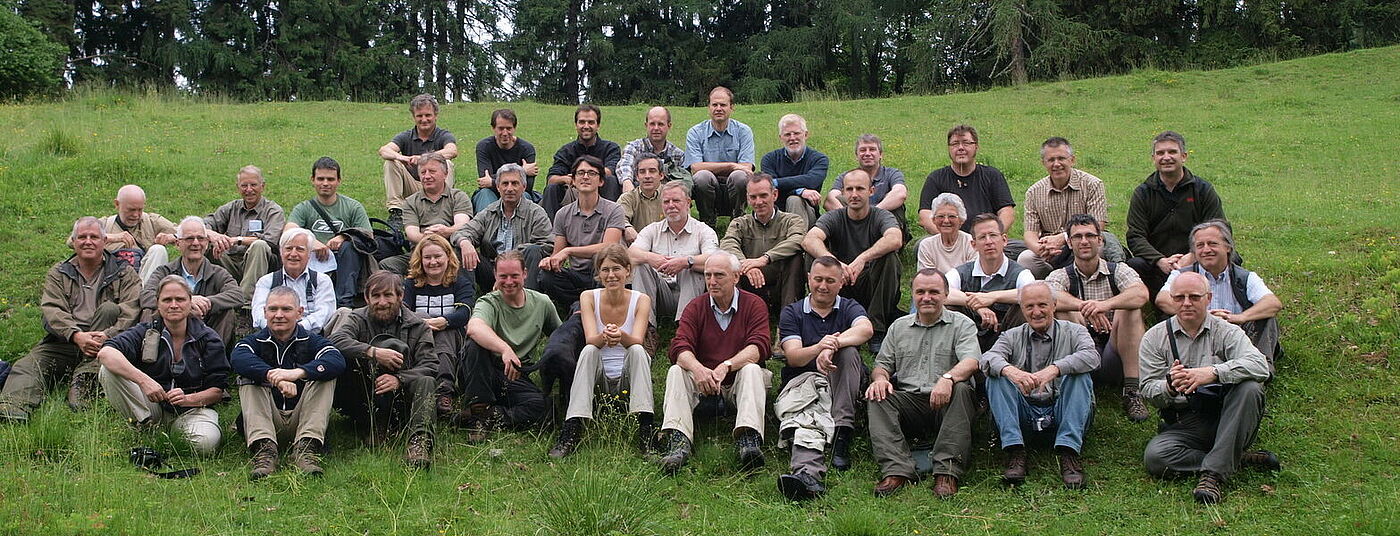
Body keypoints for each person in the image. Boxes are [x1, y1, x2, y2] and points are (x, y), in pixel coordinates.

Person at [1140, 272, 1279, 504]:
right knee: (1156, 458)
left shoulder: (1227, 330)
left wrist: (1212, 373)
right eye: (1180, 297)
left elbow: (1260, 365)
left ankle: (1212, 476)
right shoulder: (1154, 337)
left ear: (1209, 298)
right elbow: (1147, 389)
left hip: (1230, 416)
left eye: (1194, 297)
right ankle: (1234, 457)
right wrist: (1170, 387)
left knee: (1250, 388)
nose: (1186, 303)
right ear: (1172, 300)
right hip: (1186, 421)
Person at [0, 217, 140, 421]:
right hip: (65, 340)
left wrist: (107, 335)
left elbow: (131, 309)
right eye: (82, 237)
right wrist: (76, 335)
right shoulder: (59, 272)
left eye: (94, 237)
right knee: (28, 366)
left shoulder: (124, 272)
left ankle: (84, 383)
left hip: (106, 344)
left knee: (110, 309)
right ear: (74, 242)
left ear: (104, 241)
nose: (88, 241)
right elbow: (52, 309)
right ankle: (13, 408)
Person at [866, 269, 980, 499]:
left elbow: (971, 361)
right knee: (877, 396)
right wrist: (880, 379)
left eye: (934, 292)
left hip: (948, 403)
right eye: (920, 292)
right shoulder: (899, 327)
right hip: (911, 403)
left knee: (961, 388)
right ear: (913, 295)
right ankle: (896, 470)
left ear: (946, 295)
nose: (926, 297)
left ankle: (947, 472)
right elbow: (882, 365)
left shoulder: (962, 324)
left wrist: (948, 379)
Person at [657, 253, 772, 475]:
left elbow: (759, 347)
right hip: (705, 383)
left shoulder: (754, 304)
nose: (712, 281)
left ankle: (748, 439)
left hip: (738, 381)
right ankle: (678, 441)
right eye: (708, 275)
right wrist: (699, 370)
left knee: (751, 369)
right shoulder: (696, 306)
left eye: (719, 275)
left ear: (736, 277)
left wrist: (727, 365)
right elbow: (679, 346)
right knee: (676, 371)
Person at [980, 282, 1099, 489]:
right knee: (996, 376)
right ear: (1022, 309)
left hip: (1063, 410)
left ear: (1054, 305)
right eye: (1029, 306)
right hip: (1024, 413)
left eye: (1042, 305)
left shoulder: (1076, 331)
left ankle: (1069, 452)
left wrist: (1056, 369)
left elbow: (1092, 357)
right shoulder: (1011, 335)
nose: (1036, 312)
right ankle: (1015, 450)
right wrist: (1012, 371)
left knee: (1080, 376)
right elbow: (987, 359)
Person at [774, 256, 874, 500]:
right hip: (803, 382)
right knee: (809, 419)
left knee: (849, 352)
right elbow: (795, 357)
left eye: (830, 281)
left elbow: (866, 329)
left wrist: (833, 345)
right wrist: (819, 348)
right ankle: (806, 475)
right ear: (808, 279)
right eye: (818, 279)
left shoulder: (849, 306)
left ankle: (843, 433)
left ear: (841, 283)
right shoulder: (793, 312)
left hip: (841, 383)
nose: (823, 286)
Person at [95, 275, 228, 453]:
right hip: (152, 406)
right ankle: (146, 426)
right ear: (158, 303)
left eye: (180, 299)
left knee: (206, 443)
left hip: (193, 410)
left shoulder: (209, 338)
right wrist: (144, 381)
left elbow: (217, 391)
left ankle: (173, 434)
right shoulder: (145, 331)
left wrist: (187, 399)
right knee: (108, 370)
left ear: (190, 302)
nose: (173, 305)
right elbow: (106, 352)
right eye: (167, 300)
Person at [549, 244, 655, 458]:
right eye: (605, 270)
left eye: (616, 269)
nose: (611, 275)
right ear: (599, 273)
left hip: (628, 378)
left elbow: (637, 339)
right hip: (600, 380)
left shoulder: (641, 299)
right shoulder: (589, 297)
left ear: (628, 271)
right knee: (588, 350)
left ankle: (646, 430)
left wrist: (621, 336)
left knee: (636, 350)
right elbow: (591, 339)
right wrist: (605, 336)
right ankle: (572, 428)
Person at [231, 286, 346, 479]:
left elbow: (336, 360)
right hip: (267, 419)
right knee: (248, 376)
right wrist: (273, 377)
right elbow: (238, 358)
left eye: (286, 309)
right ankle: (264, 451)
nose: (279, 315)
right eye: (273, 309)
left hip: (304, 419)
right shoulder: (252, 342)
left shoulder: (312, 341)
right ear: (264, 312)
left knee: (325, 376)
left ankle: (306, 450)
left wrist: (296, 373)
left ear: (299, 313)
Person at [1046, 214, 1151, 422]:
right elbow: (1048, 294)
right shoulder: (1062, 274)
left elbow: (1141, 294)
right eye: (1077, 237)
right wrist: (1085, 307)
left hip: (1117, 351)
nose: (1084, 241)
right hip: (1082, 350)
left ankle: (1132, 390)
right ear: (1069, 242)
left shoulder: (1118, 270)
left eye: (1089, 236)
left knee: (1130, 307)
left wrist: (1105, 305)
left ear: (1100, 240)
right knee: (1060, 308)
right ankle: (1078, 386)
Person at [328, 272, 439, 468]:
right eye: (376, 296)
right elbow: (335, 341)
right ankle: (372, 424)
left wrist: (400, 379)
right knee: (340, 359)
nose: (382, 302)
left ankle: (419, 442)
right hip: (363, 394)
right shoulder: (356, 318)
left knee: (426, 381)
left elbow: (430, 366)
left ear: (400, 296)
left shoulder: (419, 326)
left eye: (388, 295)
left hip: (402, 398)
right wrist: (372, 352)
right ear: (366, 298)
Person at [460, 250, 560, 440]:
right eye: (503, 276)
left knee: (544, 408)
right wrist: (505, 348)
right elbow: (474, 327)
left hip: (514, 374)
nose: (508, 282)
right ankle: (478, 413)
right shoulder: (488, 302)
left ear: (525, 273)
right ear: (495, 276)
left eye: (514, 275)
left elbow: (559, 336)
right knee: (475, 345)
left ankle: (491, 416)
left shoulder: (542, 303)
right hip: (481, 370)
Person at [802, 169, 903, 352]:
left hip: (870, 285)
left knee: (890, 257)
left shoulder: (881, 216)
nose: (854, 194)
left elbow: (895, 238)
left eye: (860, 189)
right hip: (839, 284)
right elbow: (809, 239)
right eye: (849, 189)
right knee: (815, 256)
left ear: (871, 191)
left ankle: (877, 327)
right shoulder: (834, 217)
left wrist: (863, 258)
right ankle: (820, 317)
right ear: (843, 192)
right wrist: (835, 264)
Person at [1157, 220, 1284, 364]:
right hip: (1195, 335)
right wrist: (1203, 316)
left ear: (1228, 247)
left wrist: (1240, 317)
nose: (1206, 250)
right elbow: (1162, 299)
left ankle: (1260, 365)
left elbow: (1273, 303)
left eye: (1212, 244)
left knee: (1267, 318)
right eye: (1200, 245)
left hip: (1235, 337)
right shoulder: (1180, 275)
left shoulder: (1245, 277)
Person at [1125, 131, 1228, 300]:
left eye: (1172, 152)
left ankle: (1214, 296)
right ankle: (1158, 302)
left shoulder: (1202, 190)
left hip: (1197, 259)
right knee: (1134, 265)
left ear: (1184, 156)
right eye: (1160, 153)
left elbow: (1219, 228)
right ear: (1153, 158)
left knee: (1230, 257)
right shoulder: (1143, 193)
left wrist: (1193, 255)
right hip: (1159, 264)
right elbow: (1135, 236)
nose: (1166, 157)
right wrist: (1160, 260)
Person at [1017, 137, 1123, 278]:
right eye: (1051, 160)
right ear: (1043, 163)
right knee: (1026, 259)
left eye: (1061, 158)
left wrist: (1063, 238)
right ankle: (1056, 284)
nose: (1057, 164)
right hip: (1050, 250)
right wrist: (1040, 248)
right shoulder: (1034, 191)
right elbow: (1030, 232)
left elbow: (1099, 224)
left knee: (1098, 250)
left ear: (1072, 160)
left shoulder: (1092, 184)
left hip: (1083, 241)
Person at [537, 155, 626, 313]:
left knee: (607, 267)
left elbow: (608, 248)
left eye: (591, 173)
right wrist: (549, 261)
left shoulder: (614, 210)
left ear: (601, 181)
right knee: (546, 276)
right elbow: (557, 253)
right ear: (573, 181)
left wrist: (569, 251)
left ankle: (585, 306)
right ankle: (581, 305)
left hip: (602, 272)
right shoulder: (563, 214)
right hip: (577, 274)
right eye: (580, 173)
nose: (585, 177)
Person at [917, 125, 1021, 258]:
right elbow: (925, 215)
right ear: (949, 148)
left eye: (966, 143)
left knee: (1023, 250)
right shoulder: (936, 178)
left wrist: (992, 237)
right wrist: (948, 237)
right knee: (921, 246)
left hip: (986, 241)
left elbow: (1007, 212)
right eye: (955, 144)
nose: (960, 148)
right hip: (949, 242)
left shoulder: (992, 175)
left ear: (976, 146)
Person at [140, 217, 245, 346]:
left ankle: (214, 359)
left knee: (227, 312)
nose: (195, 243)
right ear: (178, 243)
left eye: (200, 238)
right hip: (169, 331)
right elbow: (146, 296)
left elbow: (237, 295)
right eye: (189, 238)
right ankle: (149, 358)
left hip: (206, 333)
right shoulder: (164, 272)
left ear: (206, 244)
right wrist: (187, 302)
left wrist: (208, 303)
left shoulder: (218, 273)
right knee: (149, 311)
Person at [401, 234, 475, 416]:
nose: (433, 262)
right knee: (424, 318)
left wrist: (445, 321)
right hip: (417, 338)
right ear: (420, 260)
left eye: (437, 256)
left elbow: (465, 312)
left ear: (448, 257)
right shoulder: (410, 284)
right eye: (427, 257)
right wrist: (424, 322)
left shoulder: (460, 283)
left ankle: (444, 392)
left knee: (445, 332)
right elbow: (402, 311)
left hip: (450, 339)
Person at [286, 157, 374, 307]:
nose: (325, 183)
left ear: (339, 181)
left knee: (349, 247)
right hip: (314, 260)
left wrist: (344, 237)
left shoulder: (353, 207)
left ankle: (344, 304)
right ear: (312, 180)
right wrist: (312, 242)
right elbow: (289, 230)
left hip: (345, 260)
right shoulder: (304, 208)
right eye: (320, 179)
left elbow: (368, 235)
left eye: (330, 179)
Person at [453, 163, 552, 293]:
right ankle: (466, 301)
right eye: (505, 184)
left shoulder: (536, 212)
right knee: (461, 248)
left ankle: (526, 300)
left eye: (515, 183)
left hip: (521, 271)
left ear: (524, 187)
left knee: (534, 250)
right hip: (493, 271)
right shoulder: (489, 212)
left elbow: (547, 245)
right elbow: (463, 232)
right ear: (498, 187)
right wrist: (465, 242)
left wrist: (514, 256)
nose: (509, 188)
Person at [628, 181, 718, 324]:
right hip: (659, 294)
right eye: (666, 202)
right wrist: (650, 257)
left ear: (688, 203)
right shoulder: (652, 229)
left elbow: (715, 261)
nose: (671, 205)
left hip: (693, 295)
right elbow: (630, 254)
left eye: (676, 200)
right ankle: (646, 327)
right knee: (640, 265)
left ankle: (685, 326)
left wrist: (685, 262)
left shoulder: (703, 230)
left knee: (692, 267)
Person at [719, 174, 807, 316]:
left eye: (763, 196)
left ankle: (788, 318)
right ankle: (738, 317)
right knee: (727, 262)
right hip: (748, 285)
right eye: (753, 197)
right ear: (747, 199)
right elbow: (728, 242)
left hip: (782, 285)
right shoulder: (740, 223)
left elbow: (798, 239)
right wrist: (745, 265)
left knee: (795, 258)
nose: (758, 202)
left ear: (775, 195)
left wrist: (765, 259)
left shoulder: (792, 220)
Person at [946, 214, 1034, 351]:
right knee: (948, 308)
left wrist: (993, 296)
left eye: (993, 235)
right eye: (982, 237)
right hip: (968, 338)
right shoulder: (960, 273)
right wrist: (977, 305)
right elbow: (941, 292)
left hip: (1009, 338)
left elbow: (1033, 293)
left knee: (1025, 307)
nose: (988, 242)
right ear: (974, 245)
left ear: (1004, 240)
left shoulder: (1021, 274)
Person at [380, 152, 473, 275]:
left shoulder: (458, 197)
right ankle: (406, 292)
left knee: (465, 256)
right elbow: (412, 233)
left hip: (450, 252)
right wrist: (431, 241)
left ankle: (465, 293)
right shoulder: (410, 202)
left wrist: (446, 231)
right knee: (387, 265)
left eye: (432, 171)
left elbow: (462, 225)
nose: (427, 176)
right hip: (420, 253)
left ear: (445, 174)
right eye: (423, 172)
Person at [204, 165, 285, 299]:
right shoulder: (231, 208)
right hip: (231, 263)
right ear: (238, 187)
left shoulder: (273, 211)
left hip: (261, 265)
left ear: (262, 186)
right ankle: (209, 293)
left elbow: (270, 241)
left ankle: (246, 301)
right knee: (205, 243)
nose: (249, 190)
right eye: (244, 186)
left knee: (259, 246)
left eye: (253, 185)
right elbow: (205, 223)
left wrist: (238, 239)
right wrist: (213, 235)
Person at [380, 94, 458, 220]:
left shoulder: (443, 135)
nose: (424, 119)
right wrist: (402, 158)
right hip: (413, 185)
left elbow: (452, 150)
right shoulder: (406, 136)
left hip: (436, 184)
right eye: (419, 116)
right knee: (390, 162)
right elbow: (384, 150)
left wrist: (423, 158)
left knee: (447, 163)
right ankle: (396, 212)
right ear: (414, 117)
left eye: (428, 115)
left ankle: (444, 207)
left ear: (435, 116)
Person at [685, 86, 755, 224]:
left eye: (723, 105)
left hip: (735, 187)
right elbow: (696, 168)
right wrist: (731, 165)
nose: (718, 108)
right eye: (714, 104)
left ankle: (738, 220)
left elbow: (746, 167)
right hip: (707, 189)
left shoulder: (743, 131)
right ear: (708, 107)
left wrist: (732, 169)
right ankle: (707, 221)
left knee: (740, 176)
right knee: (701, 176)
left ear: (731, 107)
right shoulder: (695, 132)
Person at [825, 134, 910, 243]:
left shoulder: (892, 174)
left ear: (881, 154)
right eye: (862, 150)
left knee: (895, 202)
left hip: (883, 227)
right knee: (839, 198)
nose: (867, 153)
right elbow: (830, 200)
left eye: (872, 149)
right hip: (853, 227)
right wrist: (847, 218)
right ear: (856, 155)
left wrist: (871, 215)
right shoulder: (847, 177)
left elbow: (900, 193)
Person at [543, 104, 623, 218]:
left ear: (598, 125)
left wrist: (585, 176)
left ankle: (609, 222)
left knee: (610, 180)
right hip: (572, 193)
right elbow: (551, 179)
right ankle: (550, 232)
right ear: (576, 125)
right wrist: (568, 179)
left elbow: (610, 170)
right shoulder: (566, 151)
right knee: (552, 188)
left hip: (601, 192)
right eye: (582, 122)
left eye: (590, 122)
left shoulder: (611, 148)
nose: (586, 126)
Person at [251, 229, 336, 334]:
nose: (293, 254)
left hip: (311, 337)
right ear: (281, 253)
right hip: (273, 335)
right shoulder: (266, 281)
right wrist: (279, 330)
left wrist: (295, 330)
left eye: (300, 249)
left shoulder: (322, 281)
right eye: (288, 248)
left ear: (309, 254)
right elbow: (258, 314)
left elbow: (324, 314)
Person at [760, 114, 828, 229]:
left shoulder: (819, 159)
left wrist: (777, 183)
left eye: (796, 133)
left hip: (807, 216)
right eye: (787, 134)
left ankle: (797, 241)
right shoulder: (769, 159)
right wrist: (800, 190)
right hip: (776, 215)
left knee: (794, 200)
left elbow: (812, 181)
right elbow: (768, 189)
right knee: (794, 197)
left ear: (806, 135)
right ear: (780, 137)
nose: (792, 138)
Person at [100, 184, 177, 282]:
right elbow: (75, 240)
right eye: (131, 210)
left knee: (158, 250)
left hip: (145, 282)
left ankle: (148, 294)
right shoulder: (104, 224)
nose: (136, 215)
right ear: (117, 204)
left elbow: (190, 234)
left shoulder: (152, 221)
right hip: (111, 284)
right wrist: (110, 238)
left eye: (140, 210)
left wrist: (173, 237)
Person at [472, 108, 540, 211]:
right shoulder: (484, 147)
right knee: (485, 193)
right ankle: (488, 225)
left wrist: (492, 181)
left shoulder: (527, 149)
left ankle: (520, 226)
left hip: (518, 193)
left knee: (524, 196)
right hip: (491, 193)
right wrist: (522, 171)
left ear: (514, 128)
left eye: (509, 128)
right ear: (493, 128)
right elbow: (484, 181)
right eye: (500, 128)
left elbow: (528, 186)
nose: (505, 133)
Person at [616, 106, 691, 195]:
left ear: (669, 126)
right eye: (652, 124)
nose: (656, 128)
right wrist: (627, 182)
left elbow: (685, 182)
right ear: (646, 125)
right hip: (637, 198)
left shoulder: (678, 155)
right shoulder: (634, 147)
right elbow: (624, 165)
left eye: (660, 124)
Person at [915, 193, 976, 275]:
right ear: (933, 220)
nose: (946, 221)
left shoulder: (970, 243)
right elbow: (926, 278)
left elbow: (971, 277)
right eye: (941, 216)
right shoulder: (927, 245)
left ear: (961, 220)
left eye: (952, 216)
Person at [616, 154, 666, 243]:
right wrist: (627, 227)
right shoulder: (628, 198)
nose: (647, 176)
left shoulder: (671, 195)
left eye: (652, 171)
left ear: (661, 175)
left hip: (667, 245)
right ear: (637, 177)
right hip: (637, 245)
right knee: (618, 233)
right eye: (642, 172)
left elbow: (684, 219)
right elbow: (617, 217)